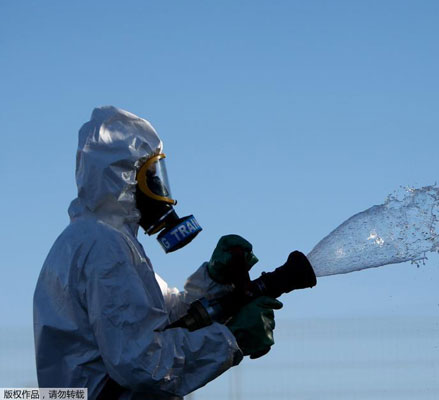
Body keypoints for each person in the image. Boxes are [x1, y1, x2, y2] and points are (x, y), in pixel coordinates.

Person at [34, 106, 283, 399]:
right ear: (124, 178)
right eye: (152, 175)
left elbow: (165, 317)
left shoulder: (92, 239)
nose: (160, 190)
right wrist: (231, 339)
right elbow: (144, 363)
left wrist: (215, 279)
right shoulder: (104, 246)